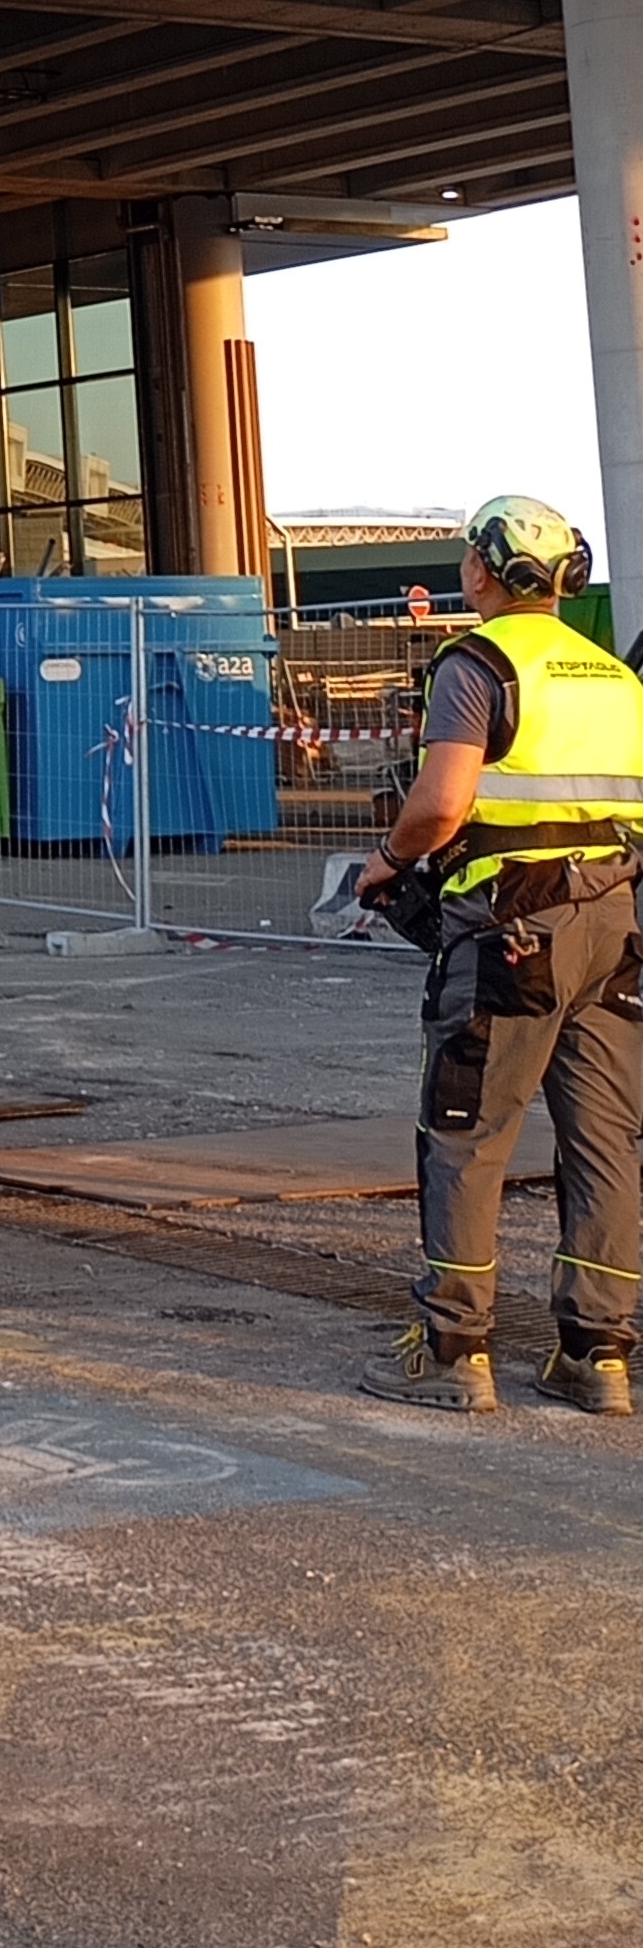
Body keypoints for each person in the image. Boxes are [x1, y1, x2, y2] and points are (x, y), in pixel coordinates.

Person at [356, 493, 643, 1417]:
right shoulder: (611, 677)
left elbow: (443, 804)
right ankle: (597, 1356)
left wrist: (389, 861)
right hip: (616, 923)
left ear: (484, 570)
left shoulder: (476, 663)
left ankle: (453, 1349)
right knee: (605, 1141)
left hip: (513, 931)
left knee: (468, 1132)